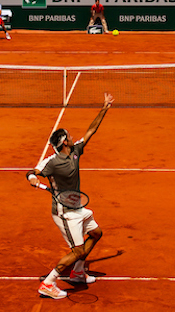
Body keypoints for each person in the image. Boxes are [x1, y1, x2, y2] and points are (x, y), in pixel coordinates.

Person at [26, 92, 113, 300]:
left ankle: (77, 272)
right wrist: (33, 180)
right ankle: (48, 283)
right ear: (64, 141)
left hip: (77, 207)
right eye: (70, 135)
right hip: (65, 213)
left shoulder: (75, 152)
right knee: (77, 251)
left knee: (96, 234)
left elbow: (91, 131)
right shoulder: (51, 162)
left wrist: (105, 108)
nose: (73, 137)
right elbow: (32, 172)